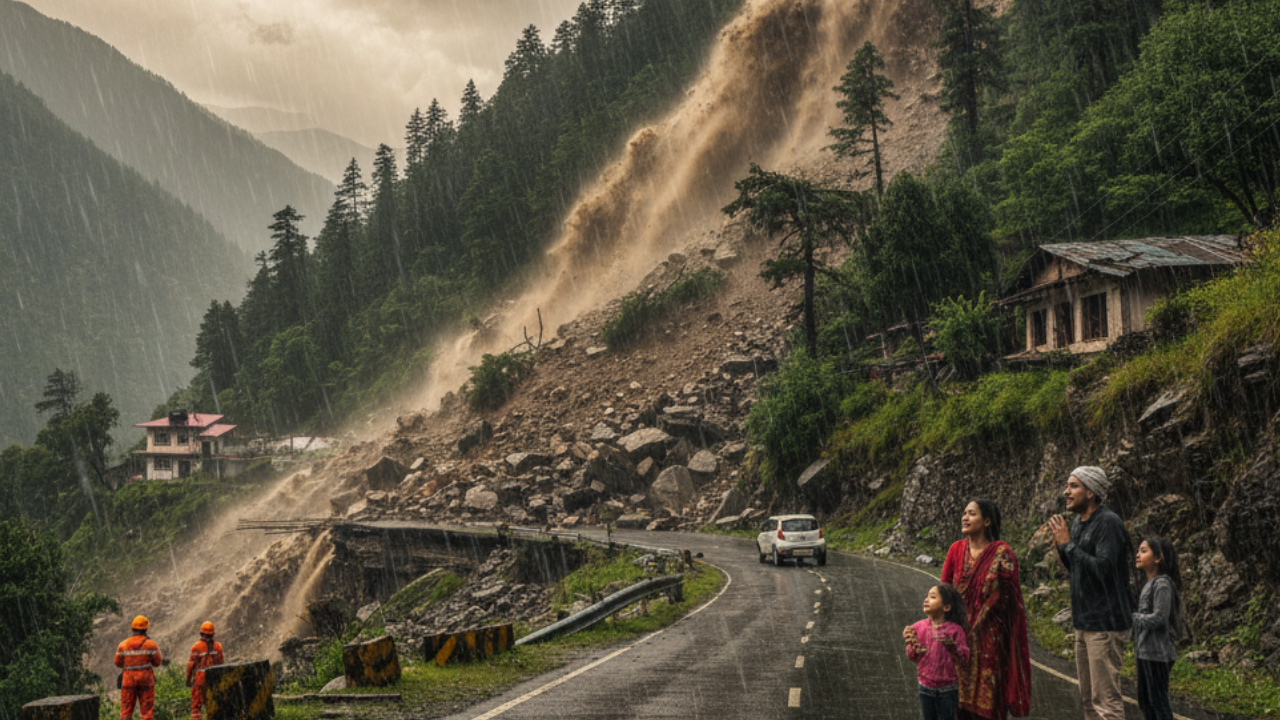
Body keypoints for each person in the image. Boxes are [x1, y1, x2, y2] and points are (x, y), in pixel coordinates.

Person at [1048, 466, 1134, 720]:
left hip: (1105, 624)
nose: (1066, 492)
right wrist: (1064, 547)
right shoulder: (1078, 522)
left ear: (1091, 492)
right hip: (1084, 622)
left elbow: (1104, 571)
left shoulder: (1108, 523)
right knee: (1088, 701)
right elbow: (1077, 568)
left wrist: (1068, 545)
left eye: (1073, 486)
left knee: (1105, 702)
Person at [941, 499, 1032, 720]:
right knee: (955, 704)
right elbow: (943, 592)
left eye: (971, 514)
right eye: (964, 513)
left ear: (987, 521)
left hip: (990, 643)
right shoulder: (956, 549)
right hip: (958, 640)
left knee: (988, 706)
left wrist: (985, 615)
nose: (964, 517)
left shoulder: (1002, 553)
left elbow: (1011, 603)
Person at [904, 584, 971, 720]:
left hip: (948, 688)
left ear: (946, 607)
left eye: (932, 597)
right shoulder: (918, 627)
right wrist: (912, 647)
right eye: (927, 596)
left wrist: (954, 648)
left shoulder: (955, 630)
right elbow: (912, 657)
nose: (926, 600)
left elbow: (964, 656)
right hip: (925, 686)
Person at [1133, 538, 1182, 720]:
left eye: (1143, 551)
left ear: (1158, 558)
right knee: (1145, 701)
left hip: (1158, 653)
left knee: (1158, 703)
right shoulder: (1150, 584)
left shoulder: (1162, 584)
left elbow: (1160, 618)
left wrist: (1132, 618)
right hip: (1144, 652)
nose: (1137, 555)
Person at [114, 615, 162, 720]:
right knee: (147, 712)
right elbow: (157, 662)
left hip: (128, 680)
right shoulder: (151, 644)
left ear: (132, 629)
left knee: (126, 712)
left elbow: (117, 663)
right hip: (146, 680)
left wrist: (129, 665)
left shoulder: (123, 644)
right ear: (146, 629)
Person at [186, 621, 224, 720]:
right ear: (212, 634)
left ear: (201, 634)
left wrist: (188, 679)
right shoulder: (218, 647)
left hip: (200, 678)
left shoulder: (196, 647)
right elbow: (221, 665)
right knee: (213, 705)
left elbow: (191, 665)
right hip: (213, 678)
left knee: (196, 707)